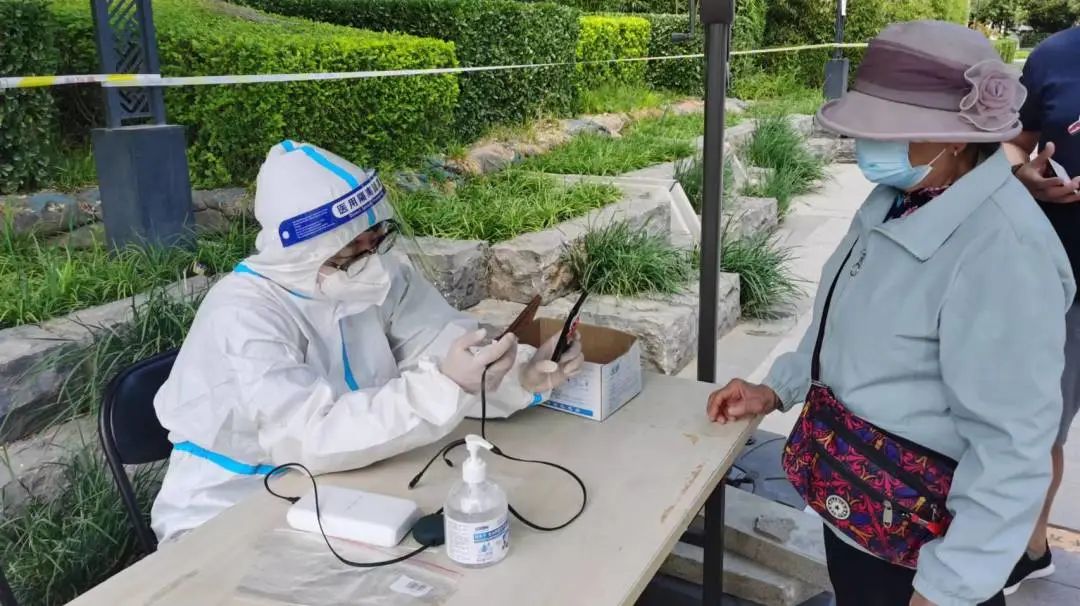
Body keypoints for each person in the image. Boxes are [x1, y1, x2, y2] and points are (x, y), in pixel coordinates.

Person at [706, 21, 1074, 606]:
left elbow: (1012, 448)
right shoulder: (900, 197)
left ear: (956, 139)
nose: (868, 144)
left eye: (891, 128)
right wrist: (777, 388)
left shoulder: (1005, 251)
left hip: (924, 552)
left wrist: (947, 588)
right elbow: (840, 323)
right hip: (860, 508)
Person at [150, 141, 584, 543]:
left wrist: (520, 374)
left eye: (376, 236)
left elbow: (441, 345)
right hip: (231, 503)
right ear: (306, 251)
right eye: (352, 247)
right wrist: (446, 386)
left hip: (346, 480)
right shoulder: (242, 314)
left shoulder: (375, 276)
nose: (371, 257)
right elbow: (310, 436)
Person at [1001, 24, 1080, 595]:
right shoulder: (1053, 57)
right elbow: (1016, 141)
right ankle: (1030, 547)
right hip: (1060, 283)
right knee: (1035, 426)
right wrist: (1021, 175)